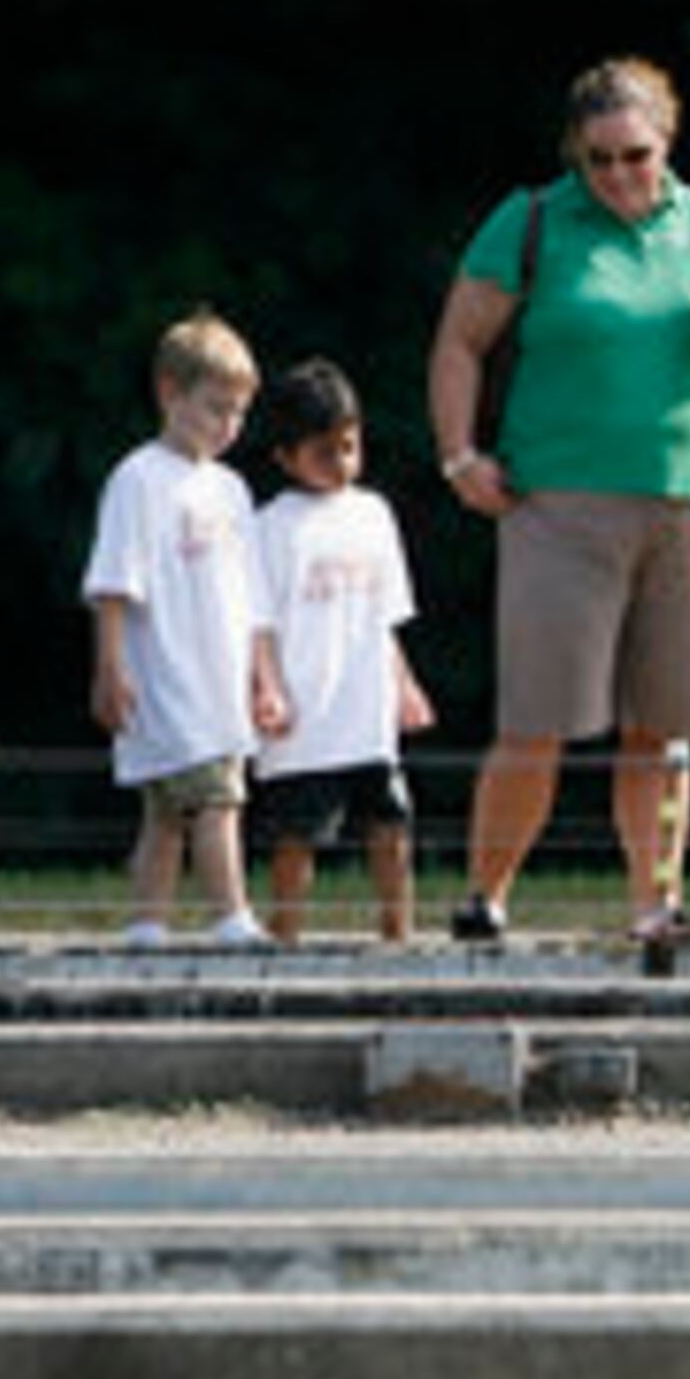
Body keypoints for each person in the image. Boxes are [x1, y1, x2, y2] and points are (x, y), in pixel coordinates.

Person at [426, 56, 690, 945]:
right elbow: (460, 341)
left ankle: (653, 910)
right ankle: (484, 899)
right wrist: (460, 454)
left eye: (636, 154)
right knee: (537, 720)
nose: (618, 174)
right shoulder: (533, 219)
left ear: (671, 144)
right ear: (575, 156)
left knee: (666, 728)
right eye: (599, 158)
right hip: (558, 503)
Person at [83, 312, 290, 948]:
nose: (227, 426)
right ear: (170, 393)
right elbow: (115, 582)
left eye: (238, 413)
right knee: (215, 800)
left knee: (170, 813)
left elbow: (254, 599)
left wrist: (264, 680)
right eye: (213, 409)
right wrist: (111, 667)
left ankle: (147, 925)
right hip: (167, 676)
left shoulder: (231, 489)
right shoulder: (138, 479)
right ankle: (233, 918)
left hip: (222, 678)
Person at [249, 358, 433, 943]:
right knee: (297, 835)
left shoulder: (374, 515)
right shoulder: (269, 527)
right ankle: (286, 937)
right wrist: (267, 687)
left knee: (391, 822)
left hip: (366, 710)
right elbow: (258, 623)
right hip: (303, 715)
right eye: (323, 451)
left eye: (349, 446)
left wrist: (404, 684)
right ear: (284, 455)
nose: (341, 463)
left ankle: (397, 931)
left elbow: (385, 616)